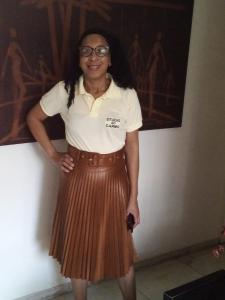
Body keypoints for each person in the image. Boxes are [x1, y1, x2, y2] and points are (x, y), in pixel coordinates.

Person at [27, 28, 142, 300]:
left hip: (115, 179)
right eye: (86, 51)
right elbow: (33, 118)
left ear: (111, 59)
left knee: (121, 251)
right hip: (77, 177)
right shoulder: (66, 90)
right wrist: (54, 156)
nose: (94, 57)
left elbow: (133, 146)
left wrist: (133, 197)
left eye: (101, 50)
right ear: (79, 58)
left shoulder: (126, 95)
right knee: (78, 248)